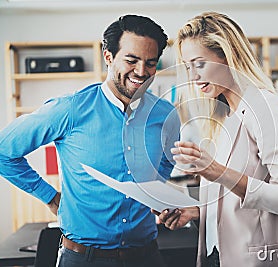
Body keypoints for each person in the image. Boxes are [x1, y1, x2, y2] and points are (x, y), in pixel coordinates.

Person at [0, 14, 180, 267]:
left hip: (147, 255)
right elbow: (4, 152)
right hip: (83, 259)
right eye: (131, 60)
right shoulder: (70, 109)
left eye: (150, 63)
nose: (141, 72)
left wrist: (154, 194)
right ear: (108, 56)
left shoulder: (166, 114)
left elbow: (167, 160)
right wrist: (50, 197)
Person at [155, 12, 278, 267]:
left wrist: (217, 171)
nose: (193, 77)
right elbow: (233, 200)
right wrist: (197, 212)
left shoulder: (268, 108)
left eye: (199, 64)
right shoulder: (223, 116)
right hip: (219, 257)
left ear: (228, 56)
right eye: (188, 67)